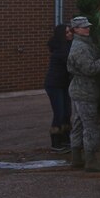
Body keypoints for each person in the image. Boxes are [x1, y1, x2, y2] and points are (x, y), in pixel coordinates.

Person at [66, 16, 100, 172]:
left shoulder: (84, 44)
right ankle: (91, 161)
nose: (87, 28)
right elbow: (91, 69)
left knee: (77, 123)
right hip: (85, 91)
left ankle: (76, 159)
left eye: (88, 26)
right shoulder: (80, 48)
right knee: (91, 126)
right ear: (75, 29)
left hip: (80, 90)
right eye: (84, 27)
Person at [44, 24, 73, 153]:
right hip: (55, 85)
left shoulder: (68, 46)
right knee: (59, 113)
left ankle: (66, 139)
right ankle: (56, 142)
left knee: (67, 112)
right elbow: (72, 63)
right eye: (67, 33)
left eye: (70, 32)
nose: (70, 34)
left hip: (64, 84)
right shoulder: (61, 51)